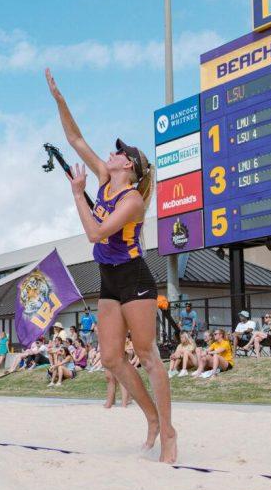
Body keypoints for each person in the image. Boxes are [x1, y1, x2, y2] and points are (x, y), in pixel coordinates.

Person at [46, 67, 176, 462]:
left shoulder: (132, 200)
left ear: (130, 167)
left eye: (120, 152)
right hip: (108, 278)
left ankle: (168, 433)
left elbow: (96, 234)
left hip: (134, 277)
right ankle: (150, 419)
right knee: (112, 358)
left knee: (148, 354)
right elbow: (74, 138)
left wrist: (76, 195)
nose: (113, 152)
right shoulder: (105, 177)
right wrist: (59, 99)